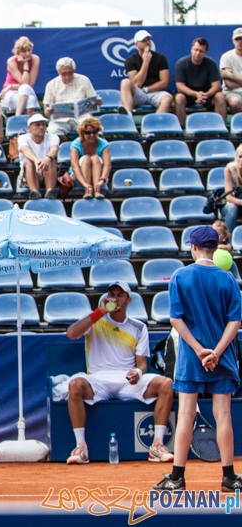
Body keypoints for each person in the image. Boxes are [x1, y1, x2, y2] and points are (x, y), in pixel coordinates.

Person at [154, 226, 242, 492]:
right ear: (214, 249)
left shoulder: (180, 276)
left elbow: (175, 319)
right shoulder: (227, 279)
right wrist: (215, 351)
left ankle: (177, 477)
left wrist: (199, 350)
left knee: (185, 414)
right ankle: (229, 477)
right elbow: (235, 321)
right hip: (222, 355)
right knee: (223, 414)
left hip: (191, 358)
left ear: (193, 247)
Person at [65, 281, 175, 465]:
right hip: (97, 381)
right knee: (74, 384)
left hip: (127, 382)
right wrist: (99, 312)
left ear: (128, 300)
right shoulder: (95, 320)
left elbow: (142, 364)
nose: (115, 298)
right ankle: (81, 447)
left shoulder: (139, 327)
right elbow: (71, 333)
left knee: (166, 384)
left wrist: (138, 373)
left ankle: (157, 445)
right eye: (112, 294)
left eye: (120, 295)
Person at [43, 57, 101, 140]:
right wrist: (48, 111)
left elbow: (93, 100)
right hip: (60, 120)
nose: (67, 76)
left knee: (93, 128)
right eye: (64, 74)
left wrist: (98, 102)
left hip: (82, 118)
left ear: (74, 71)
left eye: (70, 73)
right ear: (59, 72)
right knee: (53, 130)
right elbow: (47, 111)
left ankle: (87, 150)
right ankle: (66, 149)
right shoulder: (51, 85)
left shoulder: (84, 80)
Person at [119, 30, 173, 117]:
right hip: (138, 94)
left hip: (156, 92)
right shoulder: (130, 60)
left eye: (148, 40)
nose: (147, 42)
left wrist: (146, 89)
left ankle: (153, 123)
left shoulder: (160, 58)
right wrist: (146, 62)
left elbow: (165, 83)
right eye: (143, 41)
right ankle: (128, 116)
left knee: (167, 99)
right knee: (125, 82)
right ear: (136, 44)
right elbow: (137, 83)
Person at [174, 37, 226, 127]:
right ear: (191, 49)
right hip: (188, 95)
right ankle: (180, 129)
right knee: (179, 98)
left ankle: (220, 129)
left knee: (220, 97)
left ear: (205, 52)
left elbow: (216, 84)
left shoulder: (211, 63)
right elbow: (180, 86)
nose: (198, 53)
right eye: (196, 50)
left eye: (201, 51)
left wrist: (205, 95)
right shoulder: (181, 63)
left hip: (207, 95)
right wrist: (196, 94)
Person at [18, 113, 60, 200]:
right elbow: (25, 150)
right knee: (29, 162)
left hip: (47, 171)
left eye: (43, 125)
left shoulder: (53, 137)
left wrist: (47, 158)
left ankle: (50, 191)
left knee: (51, 160)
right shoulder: (23, 138)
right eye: (37, 125)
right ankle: (34, 192)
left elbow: (54, 149)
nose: (41, 127)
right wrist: (36, 160)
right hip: (30, 173)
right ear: (29, 128)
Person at [69, 117, 111, 199]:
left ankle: (97, 191)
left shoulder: (104, 143)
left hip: (99, 178)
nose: (91, 135)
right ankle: (87, 191)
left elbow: (107, 165)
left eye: (94, 132)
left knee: (95, 158)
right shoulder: (76, 144)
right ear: (82, 133)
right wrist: (84, 183)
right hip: (79, 178)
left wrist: (101, 181)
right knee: (86, 158)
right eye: (88, 133)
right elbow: (74, 166)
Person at [0, 36, 40, 115]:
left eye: (29, 50)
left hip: (25, 90)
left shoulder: (35, 59)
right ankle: (26, 123)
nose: (28, 54)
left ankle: (17, 118)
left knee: (25, 88)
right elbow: (24, 83)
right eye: (24, 51)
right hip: (11, 94)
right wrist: (25, 64)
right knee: (30, 99)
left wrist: (11, 86)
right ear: (18, 53)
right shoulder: (11, 61)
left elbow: (29, 85)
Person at [220, 143, 242, 235]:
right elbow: (229, 198)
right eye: (240, 156)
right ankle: (229, 238)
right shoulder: (229, 169)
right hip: (232, 203)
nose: (241, 160)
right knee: (232, 208)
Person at [220, 28, 242, 116]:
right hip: (232, 92)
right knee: (235, 102)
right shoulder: (226, 56)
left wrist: (231, 75)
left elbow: (230, 79)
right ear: (233, 40)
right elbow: (229, 84)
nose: (240, 41)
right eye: (237, 39)